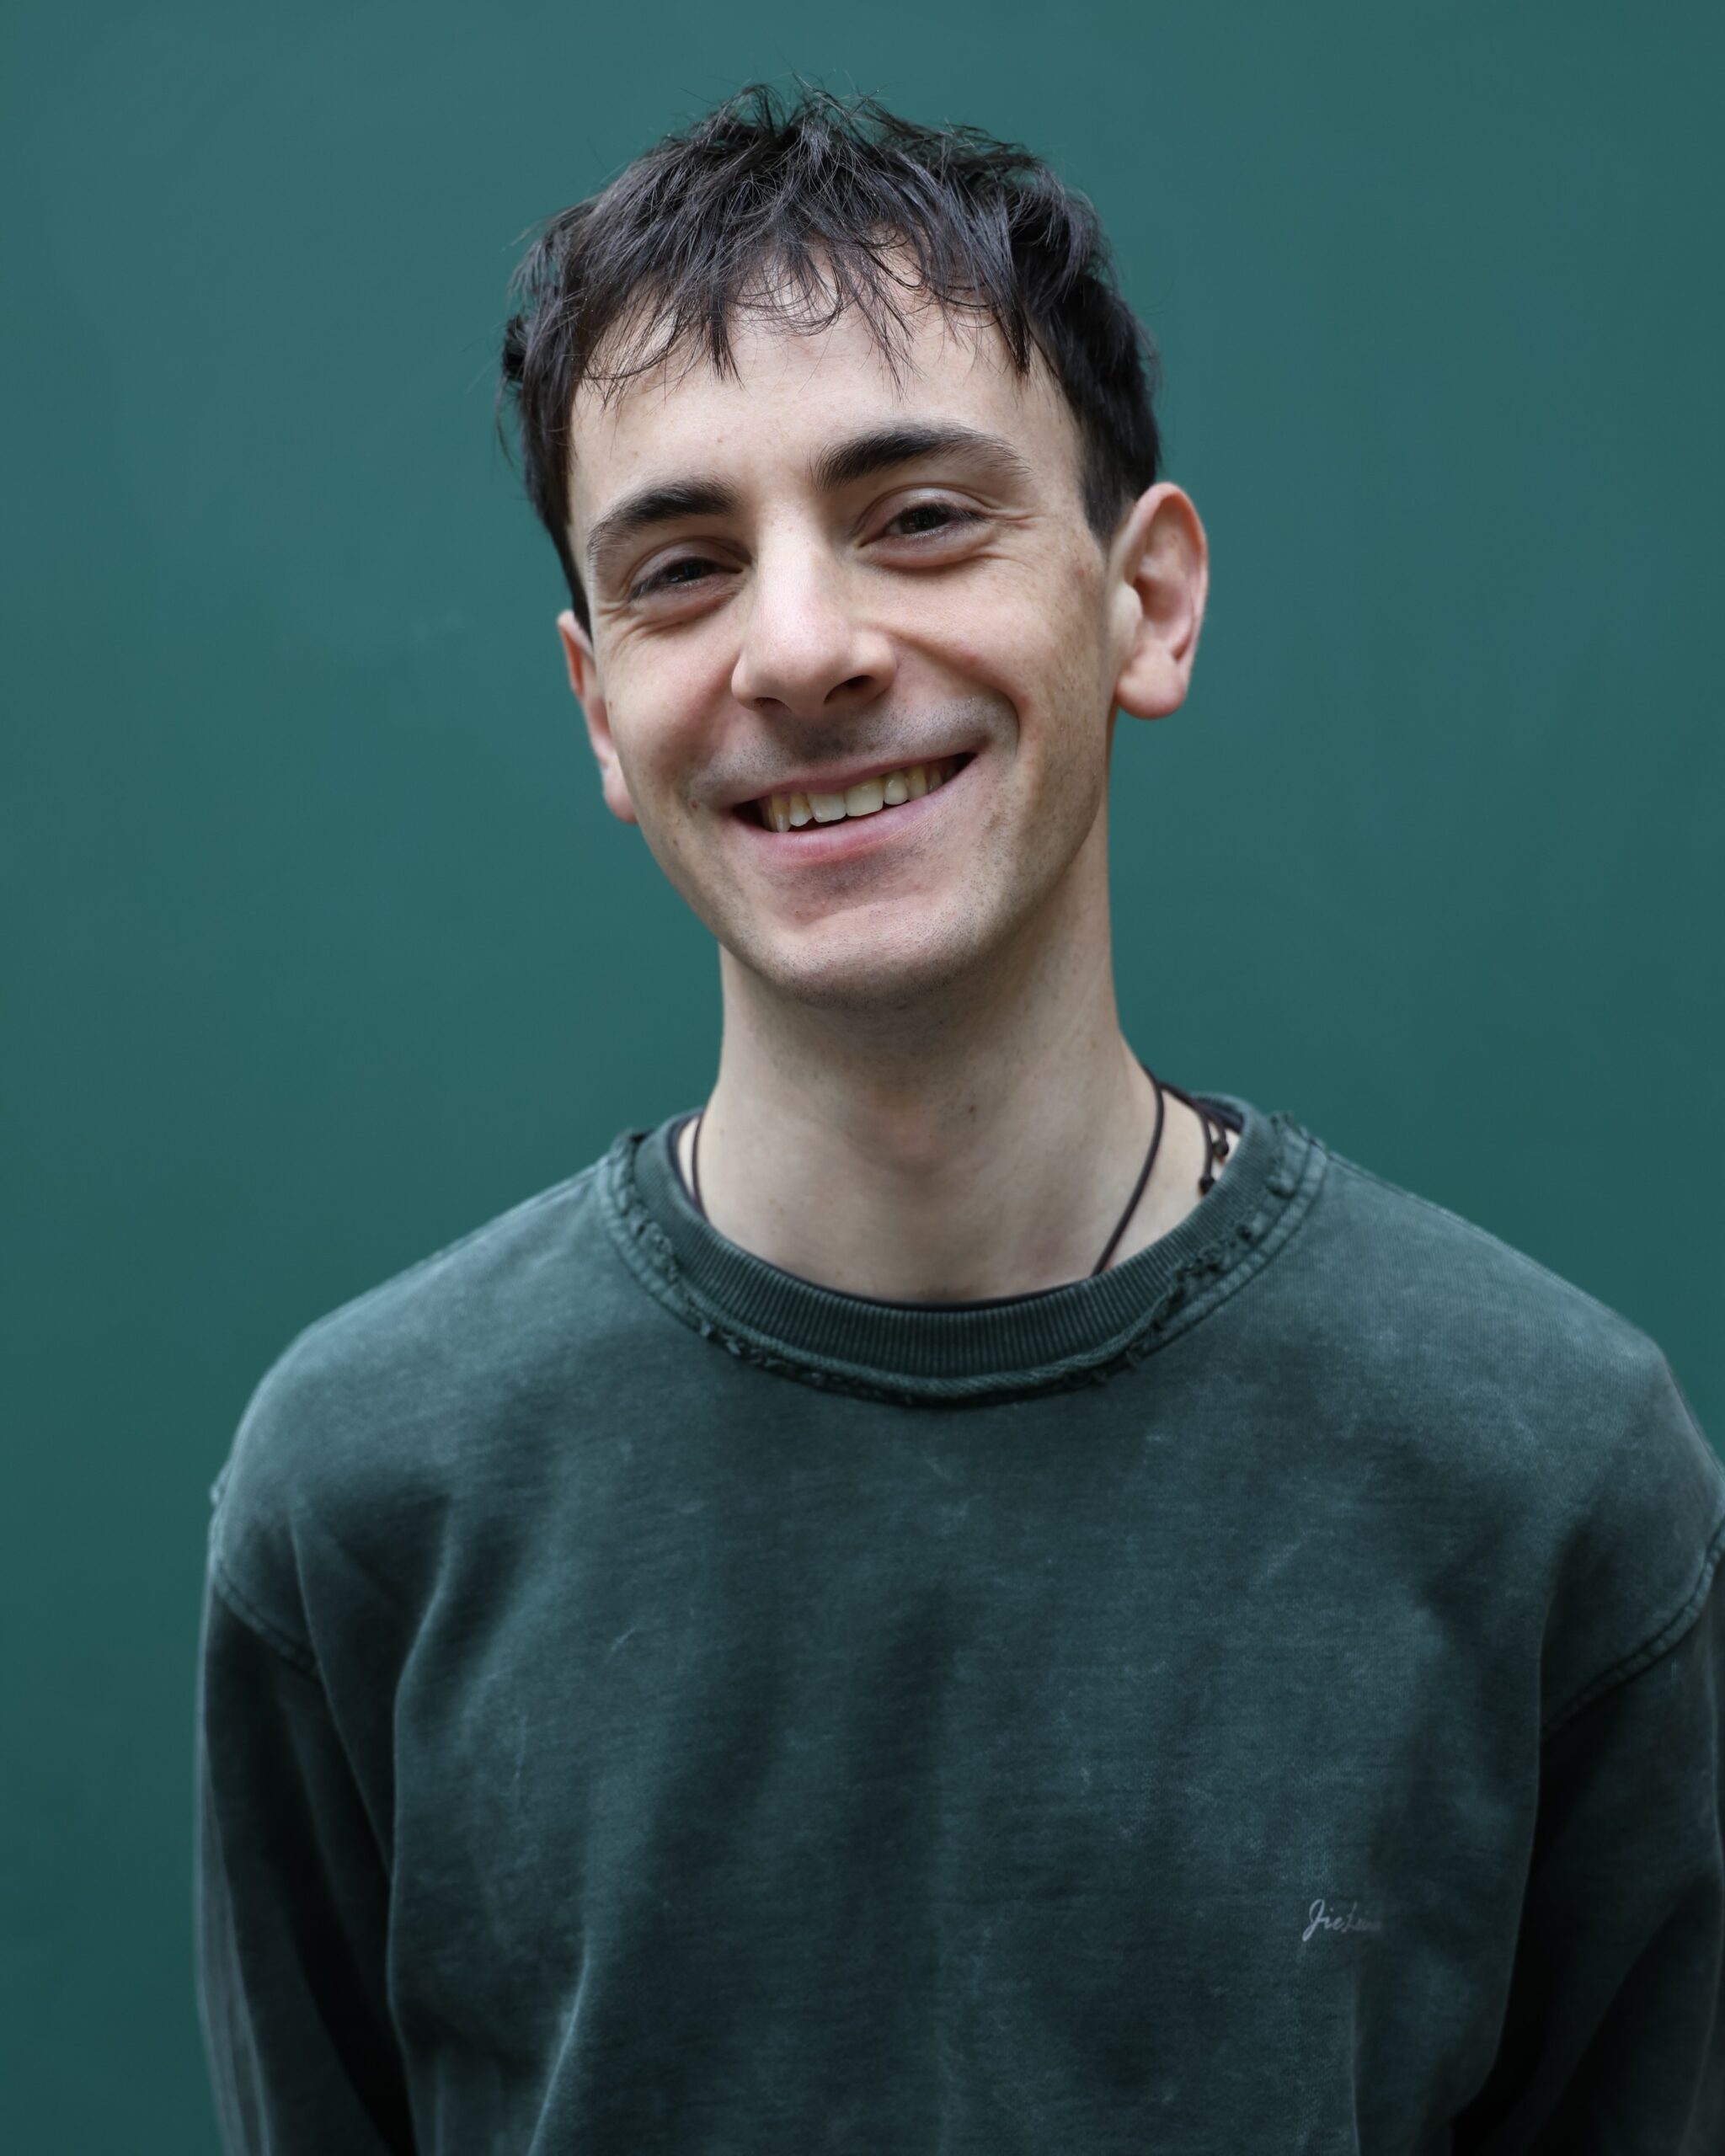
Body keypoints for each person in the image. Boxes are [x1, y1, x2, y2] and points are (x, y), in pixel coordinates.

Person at [194, 83, 1725, 2153]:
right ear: (598, 712)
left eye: (919, 515)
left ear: (1145, 599)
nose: (805, 647)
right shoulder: (365, 1491)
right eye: (680, 567)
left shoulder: (1549, 1477)